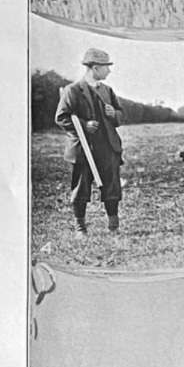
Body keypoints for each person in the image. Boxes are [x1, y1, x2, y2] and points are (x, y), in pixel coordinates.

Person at [54, 46, 125, 237]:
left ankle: (113, 227)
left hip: (108, 147)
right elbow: (61, 117)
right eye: (105, 67)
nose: (108, 70)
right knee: (80, 189)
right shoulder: (73, 90)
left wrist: (113, 114)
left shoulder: (108, 91)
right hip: (82, 149)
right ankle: (81, 229)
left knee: (112, 188)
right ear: (94, 67)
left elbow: (120, 115)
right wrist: (84, 125)